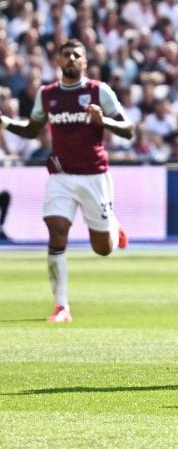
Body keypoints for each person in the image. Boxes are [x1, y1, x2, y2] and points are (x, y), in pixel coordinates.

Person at [0, 39, 132, 323]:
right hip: (60, 175)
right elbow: (33, 130)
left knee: (103, 249)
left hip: (94, 176)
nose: (71, 58)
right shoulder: (47, 95)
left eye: (77, 55)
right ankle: (61, 306)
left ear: (84, 62)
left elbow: (129, 130)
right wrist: (6, 123)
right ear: (58, 61)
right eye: (66, 55)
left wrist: (104, 122)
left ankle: (113, 225)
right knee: (57, 231)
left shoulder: (99, 91)